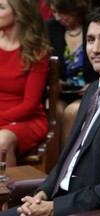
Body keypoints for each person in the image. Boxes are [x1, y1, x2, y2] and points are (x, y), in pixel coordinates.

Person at [0, 5, 100, 216]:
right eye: (91, 40)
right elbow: (68, 158)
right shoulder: (94, 89)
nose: (95, 49)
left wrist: (54, 207)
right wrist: (42, 194)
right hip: (59, 201)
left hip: (83, 211)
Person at [0, 0, 51, 167]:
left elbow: (30, 105)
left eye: (1, 7)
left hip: (26, 119)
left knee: (2, 142)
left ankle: (7, 193)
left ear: (18, 14)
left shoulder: (35, 50)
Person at [45, 0, 99, 148]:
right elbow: (42, 63)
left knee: (72, 112)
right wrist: (52, 80)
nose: (57, 17)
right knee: (56, 111)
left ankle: (66, 164)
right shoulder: (50, 28)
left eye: (61, 12)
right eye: (54, 12)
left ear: (74, 9)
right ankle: (52, 164)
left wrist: (94, 85)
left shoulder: (94, 28)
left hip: (86, 91)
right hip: (59, 93)